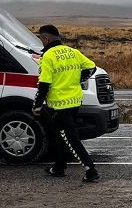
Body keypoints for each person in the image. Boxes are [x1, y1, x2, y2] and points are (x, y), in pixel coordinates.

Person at [33, 25, 100, 183]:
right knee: (59, 136)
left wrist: (37, 104)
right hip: (75, 100)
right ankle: (59, 167)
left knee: (70, 138)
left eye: (41, 39)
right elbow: (92, 67)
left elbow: (44, 84)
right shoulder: (73, 52)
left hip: (59, 104)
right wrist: (77, 79)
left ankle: (90, 170)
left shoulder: (48, 57)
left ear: (46, 39)